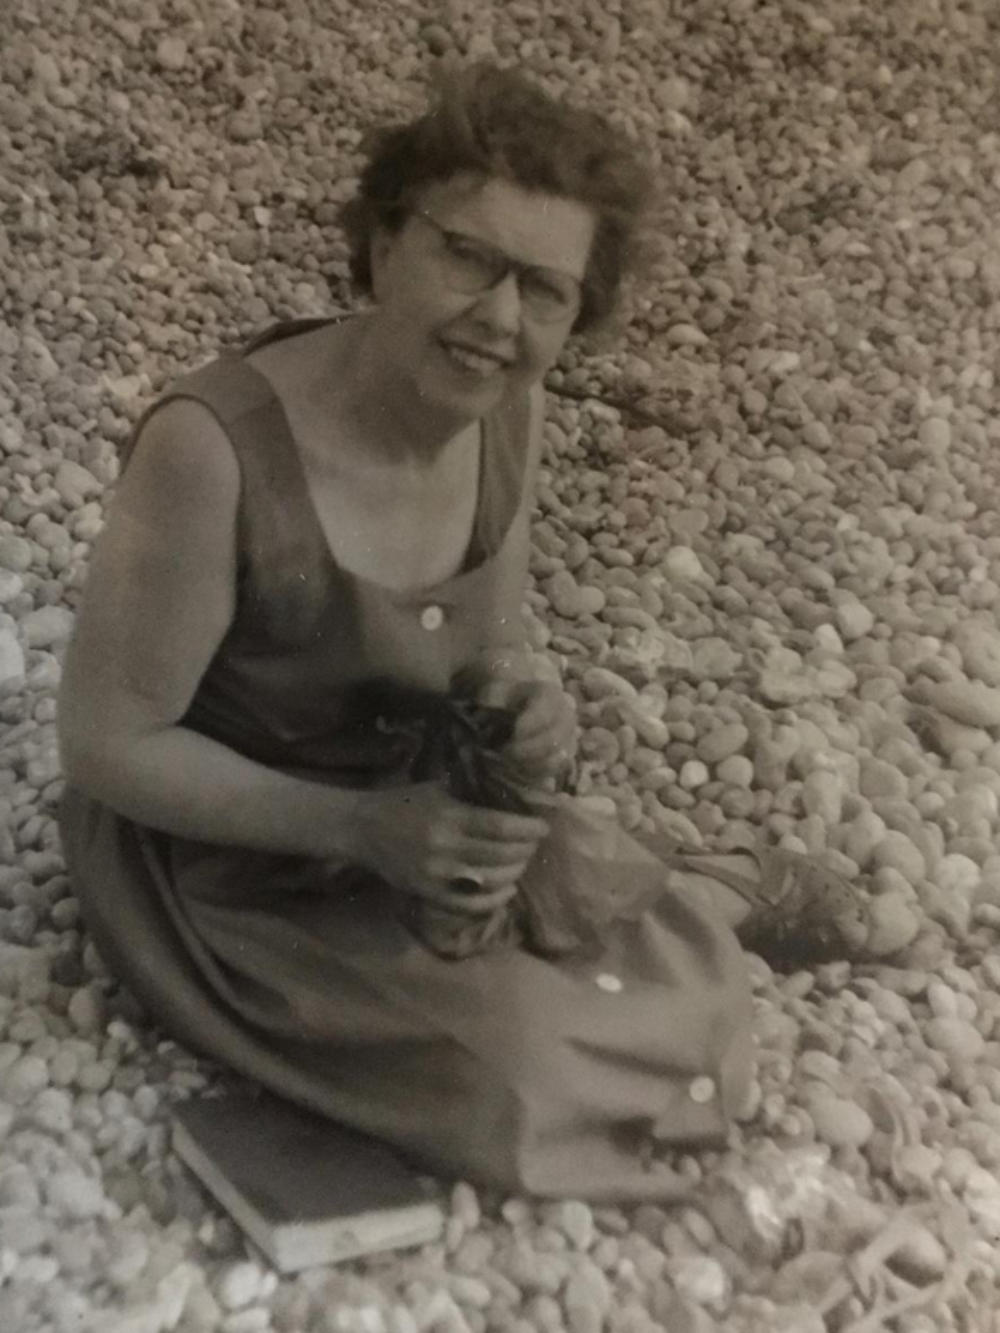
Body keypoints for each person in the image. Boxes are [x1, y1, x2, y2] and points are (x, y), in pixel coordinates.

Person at [57, 63, 863, 1201]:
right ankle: (701, 895)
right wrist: (361, 828)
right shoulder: (216, 450)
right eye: (469, 258)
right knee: (532, 1078)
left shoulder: (501, 409)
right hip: (227, 852)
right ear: (385, 242)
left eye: (545, 290)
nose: (498, 319)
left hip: (416, 816)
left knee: (658, 997)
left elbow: (492, 644)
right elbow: (105, 744)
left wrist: (521, 702)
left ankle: (706, 890)